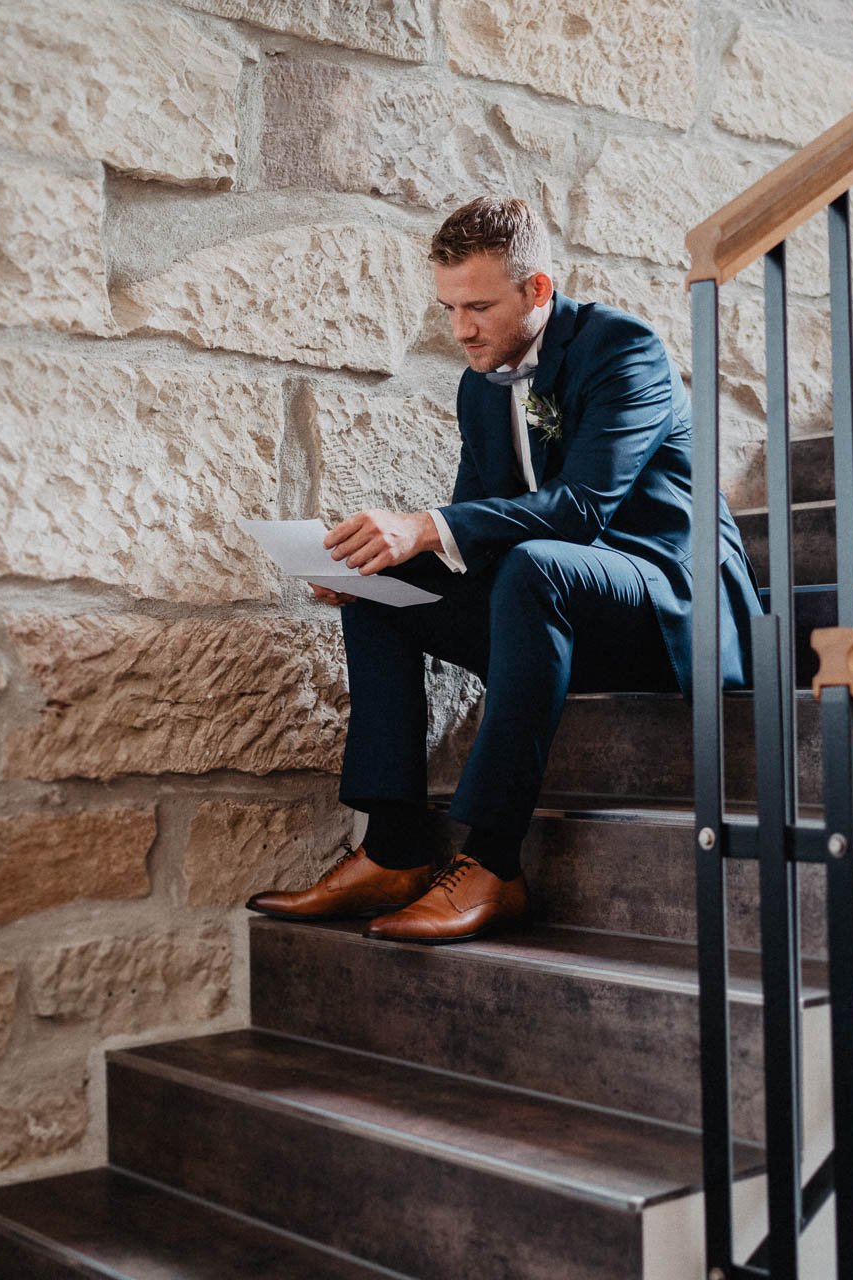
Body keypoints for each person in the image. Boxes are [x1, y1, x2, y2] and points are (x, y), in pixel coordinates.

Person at [245, 195, 761, 944]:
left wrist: (424, 526)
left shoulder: (626, 351)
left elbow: (581, 509)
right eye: (450, 307)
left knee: (535, 566)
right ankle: (392, 850)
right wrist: (381, 568)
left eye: (479, 307)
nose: (460, 330)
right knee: (383, 596)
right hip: (553, 611)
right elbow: (471, 537)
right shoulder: (476, 385)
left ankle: (491, 861)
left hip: (670, 602)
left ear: (538, 290)